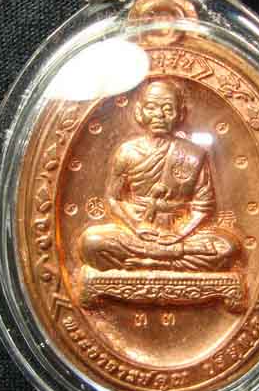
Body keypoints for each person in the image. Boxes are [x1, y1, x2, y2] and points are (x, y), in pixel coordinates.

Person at [77, 79, 241, 271]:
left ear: (180, 114)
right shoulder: (127, 151)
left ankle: (148, 263)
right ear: (139, 112)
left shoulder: (193, 154)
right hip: (137, 232)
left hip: (180, 234)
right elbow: (114, 198)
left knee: (227, 247)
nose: (159, 115)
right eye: (151, 107)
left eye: (168, 109)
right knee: (91, 243)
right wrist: (137, 226)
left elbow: (202, 206)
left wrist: (179, 233)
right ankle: (168, 261)